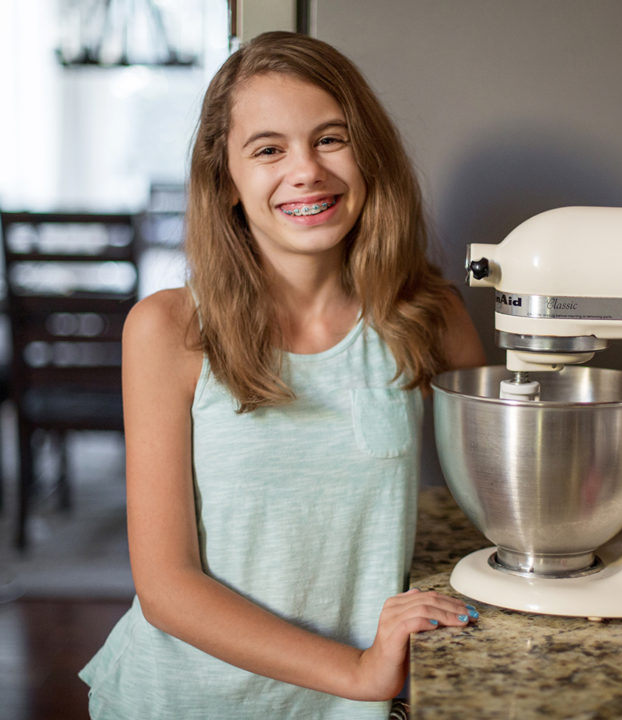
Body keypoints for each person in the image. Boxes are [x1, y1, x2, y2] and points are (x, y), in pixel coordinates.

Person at [80, 31, 486, 719]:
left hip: (345, 708)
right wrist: (359, 670)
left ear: (369, 155)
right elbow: (167, 588)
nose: (307, 171)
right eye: (269, 149)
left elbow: (511, 483)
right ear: (226, 180)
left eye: (331, 139)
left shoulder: (426, 315)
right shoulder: (166, 330)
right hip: (182, 702)